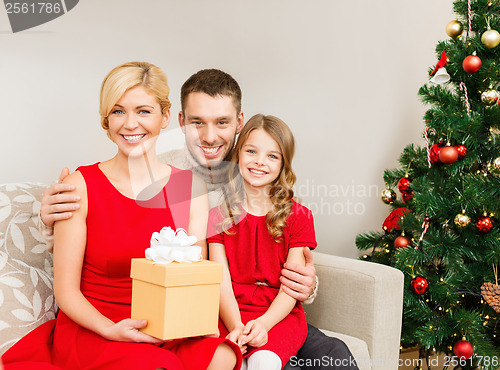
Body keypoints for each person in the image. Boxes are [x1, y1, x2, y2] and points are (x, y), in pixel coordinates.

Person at [38, 69, 357, 369]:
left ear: (238, 122)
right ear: (178, 121)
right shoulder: (156, 167)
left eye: (221, 122)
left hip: (261, 311)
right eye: (197, 123)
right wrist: (48, 218)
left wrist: (307, 284)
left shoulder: (255, 161)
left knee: (333, 356)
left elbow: (288, 235)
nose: (209, 135)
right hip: (214, 311)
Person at [2, 62, 242, 370]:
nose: (130, 124)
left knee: (224, 355)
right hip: (97, 327)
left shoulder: (191, 187)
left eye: (143, 111)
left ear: (165, 117)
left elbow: (191, 278)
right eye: (118, 111)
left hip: (167, 327)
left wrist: (199, 324)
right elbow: (66, 292)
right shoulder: (80, 185)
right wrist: (109, 329)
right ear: (107, 119)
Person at [208, 114, 315, 370]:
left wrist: (264, 324)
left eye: (272, 156)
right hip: (228, 312)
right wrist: (235, 326)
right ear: (238, 156)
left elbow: (291, 286)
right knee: (224, 359)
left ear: (283, 165)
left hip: (278, 316)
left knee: (262, 362)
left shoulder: (299, 217)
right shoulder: (217, 216)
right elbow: (220, 281)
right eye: (251, 151)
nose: (259, 162)